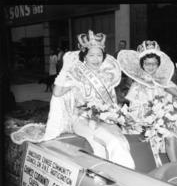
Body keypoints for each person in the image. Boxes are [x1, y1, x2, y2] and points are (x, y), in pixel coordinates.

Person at [13, 30, 135, 169]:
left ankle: (124, 175)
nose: (96, 59)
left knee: (121, 142)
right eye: (92, 55)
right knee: (107, 142)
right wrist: (65, 69)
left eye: (99, 55)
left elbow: (112, 102)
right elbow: (58, 92)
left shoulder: (107, 76)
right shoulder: (77, 74)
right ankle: (111, 176)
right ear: (84, 57)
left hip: (105, 120)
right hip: (81, 120)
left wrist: (116, 114)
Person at [117, 40, 177, 163]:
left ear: (158, 64)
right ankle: (175, 165)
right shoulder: (137, 85)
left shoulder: (162, 81)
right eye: (147, 64)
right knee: (168, 135)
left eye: (154, 64)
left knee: (174, 136)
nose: (151, 67)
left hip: (161, 121)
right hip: (143, 123)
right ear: (142, 64)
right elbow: (133, 108)